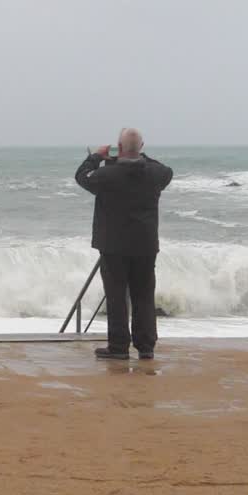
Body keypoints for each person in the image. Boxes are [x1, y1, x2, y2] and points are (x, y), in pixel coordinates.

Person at [75, 128, 174, 360]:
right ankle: (146, 346)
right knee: (144, 295)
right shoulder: (155, 174)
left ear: (118, 148)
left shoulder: (107, 176)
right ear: (141, 148)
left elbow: (82, 176)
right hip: (145, 245)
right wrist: (136, 156)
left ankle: (118, 347)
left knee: (116, 295)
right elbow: (165, 171)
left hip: (113, 246)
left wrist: (98, 157)